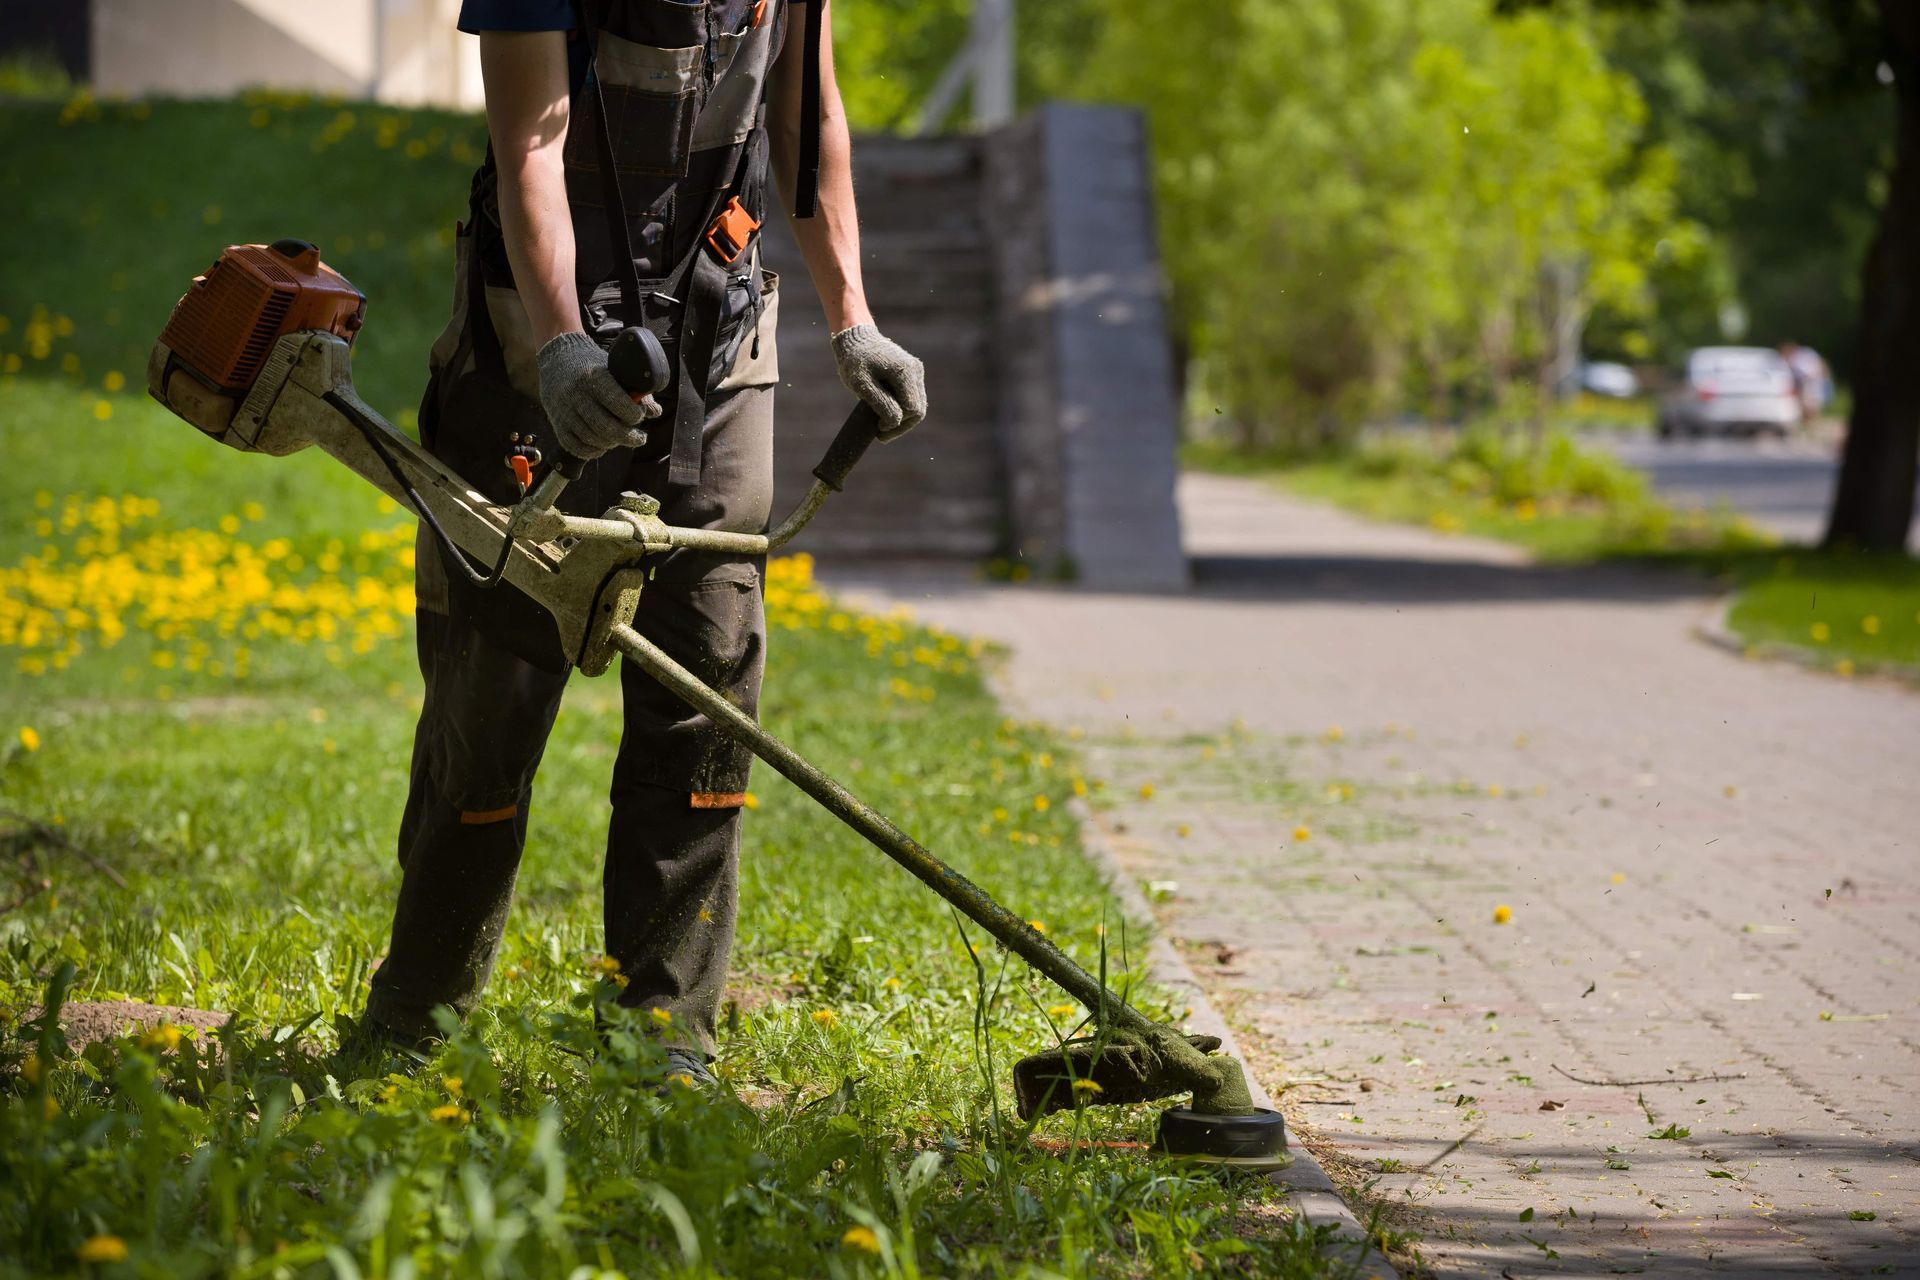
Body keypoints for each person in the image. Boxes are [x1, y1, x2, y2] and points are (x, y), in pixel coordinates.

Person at [353, 0, 928, 1086]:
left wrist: (853, 315)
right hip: (538, 341)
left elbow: (807, 118)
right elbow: (530, 137)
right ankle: (416, 1019)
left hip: (722, 338)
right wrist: (566, 344)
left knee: (708, 686)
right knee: (491, 696)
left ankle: (666, 1038)